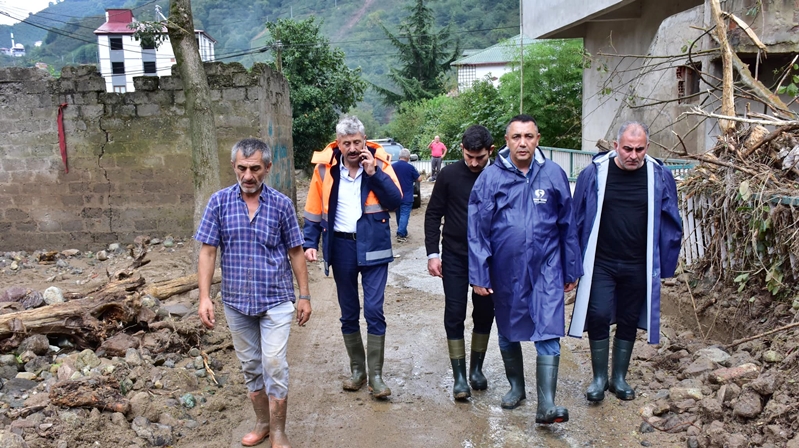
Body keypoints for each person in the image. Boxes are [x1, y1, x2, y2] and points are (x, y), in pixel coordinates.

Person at [196, 138, 312, 448]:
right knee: (250, 366)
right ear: (233, 166)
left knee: (273, 362)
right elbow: (208, 251)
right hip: (236, 302)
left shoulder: (281, 204)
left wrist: (304, 294)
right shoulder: (218, 202)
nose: (249, 176)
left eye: (256, 169)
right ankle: (262, 422)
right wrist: (204, 296)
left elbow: (296, 251)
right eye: (243, 168)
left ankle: (278, 431)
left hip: (275, 298)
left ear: (268, 168)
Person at [468, 115, 582, 424]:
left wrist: (571, 268)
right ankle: (516, 387)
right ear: (506, 141)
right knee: (508, 327)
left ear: (537, 138)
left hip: (547, 266)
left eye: (528, 136)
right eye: (516, 136)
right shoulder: (491, 178)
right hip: (505, 268)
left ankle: (546, 404)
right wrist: (479, 273)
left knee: (548, 328)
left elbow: (567, 225)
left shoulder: (553, 174)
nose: (522, 142)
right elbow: (477, 228)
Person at [568, 121, 682, 402]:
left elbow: (671, 221)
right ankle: (598, 378)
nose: (633, 155)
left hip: (637, 263)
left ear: (647, 148)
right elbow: (575, 218)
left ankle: (618, 378)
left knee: (630, 318)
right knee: (598, 314)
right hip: (602, 262)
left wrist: (666, 264)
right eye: (627, 149)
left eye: (639, 149)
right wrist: (572, 262)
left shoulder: (659, 175)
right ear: (616, 146)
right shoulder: (595, 173)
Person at [303, 115, 402, 399]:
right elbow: (312, 210)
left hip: (374, 246)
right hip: (341, 247)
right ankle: (358, 372)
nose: (353, 148)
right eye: (347, 143)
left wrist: (374, 174)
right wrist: (311, 242)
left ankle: (377, 377)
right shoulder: (324, 170)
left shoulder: (381, 164)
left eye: (357, 141)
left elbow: (396, 201)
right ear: (339, 144)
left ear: (364, 140)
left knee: (373, 310)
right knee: (348, 313)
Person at [425, 125, 496, 400]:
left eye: (479, 157)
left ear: (490, 151)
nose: (474, 163)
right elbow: (433, 215)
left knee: (484, 312)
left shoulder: (498, 174)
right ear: (461, 150)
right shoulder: (449, 175)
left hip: (489, 258)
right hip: (455, 254)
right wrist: (433, 254)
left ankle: (476, 369)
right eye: (469, 156)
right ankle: (459, 377)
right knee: (454, 312)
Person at [392, 148, 422, 243]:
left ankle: (403, 232)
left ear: (399, 156)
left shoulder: (392, 167)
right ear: (408, 157)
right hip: (407, 196)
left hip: (395, 196)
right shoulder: (410, 167)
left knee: (398, 214)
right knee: (404, 215)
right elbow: (419, 178)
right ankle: (401, 234)